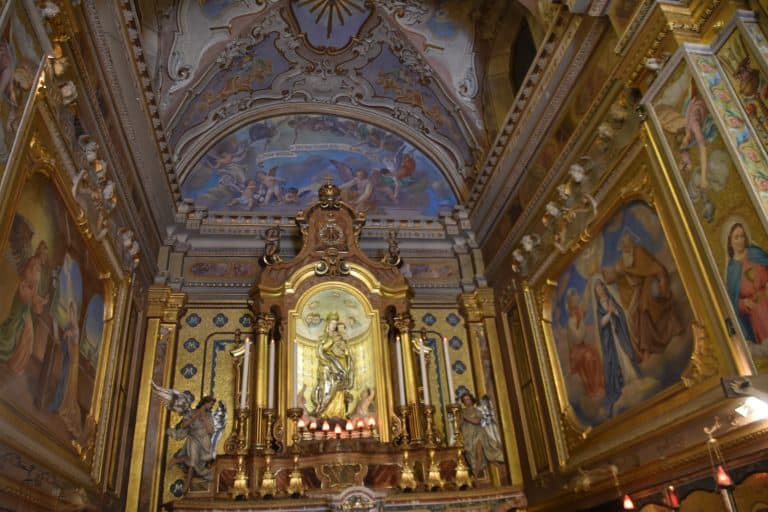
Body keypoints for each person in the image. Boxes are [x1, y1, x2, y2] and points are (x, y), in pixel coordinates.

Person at [604, 232, 683, 362]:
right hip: (636, 290)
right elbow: (619, 278)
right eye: (623, 245)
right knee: (635, 313)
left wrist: (661, 279)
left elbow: (653, 267)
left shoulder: (639, 252)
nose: (625, 246)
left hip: (650, 281)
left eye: (627, 243)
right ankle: (646, 347)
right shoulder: (622, 261)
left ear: (631, 243)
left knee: (644, 307)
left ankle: (648, 346)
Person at [593, 278, 640, 417]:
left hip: (618, 335)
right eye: (597, 290)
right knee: (615, 360)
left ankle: (631, 378)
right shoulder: (599, 308)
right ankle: (620, 384)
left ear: (604, 288)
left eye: (601, 288)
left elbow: (620, 314)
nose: (600, 291)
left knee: (624, 355)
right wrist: (609, 314)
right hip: (609, 340)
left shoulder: (611, 300)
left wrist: (615, 312)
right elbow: (601, 323)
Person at [725, 222, 768, 344]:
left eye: (742, 236)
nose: (740, 240)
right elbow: (734, 302)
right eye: (736, 237)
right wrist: (744, 304)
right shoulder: (732, 270)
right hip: (757, 315)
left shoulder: (755, 253)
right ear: (730, 241)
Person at [311, 313, 354, 418]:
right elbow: (321, 350)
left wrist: (345, 351)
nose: (333, 326)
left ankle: (338, 413)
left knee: (339, 387)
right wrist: (331, 341)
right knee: (328, 386)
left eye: (335, 324)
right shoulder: (324, 337)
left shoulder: (339, 336)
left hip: (338, 365)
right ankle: (324, 411)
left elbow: (345, 350)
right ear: (328, 324)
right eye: (332, 323)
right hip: (327, 365)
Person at [169, 396, 217, 491]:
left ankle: (178, 460)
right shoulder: (192, 412)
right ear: (205, 403)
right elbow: (183, 425)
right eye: (211, 404)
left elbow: (211, 431)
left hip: (204, 441)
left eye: (212, 404)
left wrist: (205, 421)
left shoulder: (209, 416)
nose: (211, 406)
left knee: (202, 460)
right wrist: (193, 419)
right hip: (194, 438)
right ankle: (187, 484)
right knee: (193, 461)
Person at [565, 288, 604, 397]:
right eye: (574, 304)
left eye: (576, 302)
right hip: (575, 352)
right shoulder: (570, 322)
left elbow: (585, 304)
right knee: (588, 357)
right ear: (570, 306)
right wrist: (582, 321)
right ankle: (592, 389)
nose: (576, 308)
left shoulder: (578, 314)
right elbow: (578, 338)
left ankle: (598, 385)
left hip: (582, 348)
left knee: (594, 353)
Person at [459, 392, 504, 477]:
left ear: (471, 400)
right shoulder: (462, 412)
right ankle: (475, 473)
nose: (466, 401)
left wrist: (466, 417)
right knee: (471, 456)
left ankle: (475, 475)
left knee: (478, 452)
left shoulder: (477, 410)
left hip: (478, 433)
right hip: (468, 436)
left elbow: (477, 421)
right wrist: (461, 419)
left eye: (468, 399)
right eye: (464, 400)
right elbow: (459, 425)